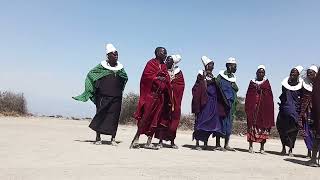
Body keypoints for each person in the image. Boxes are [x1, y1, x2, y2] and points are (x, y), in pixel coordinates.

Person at [73, 44, 128, 145]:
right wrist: (96, 86)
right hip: (103, 96)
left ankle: (113, 139)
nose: (116, 56)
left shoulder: (120, 69)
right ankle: (98, 138)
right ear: (108, 56)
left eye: (117, 54)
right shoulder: (100, 67)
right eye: (114, 54)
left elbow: (125, 77)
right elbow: (91, 75)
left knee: (114, 118)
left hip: (117, 97)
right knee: (101, 115)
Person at [129, 47, 172, 150]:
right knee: (145, 117)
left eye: (166, 53)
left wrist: (165, 80)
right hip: (150, 95)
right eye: (163, 52)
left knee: (155, 119)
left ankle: (149, 142)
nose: (165, 54)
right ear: (157, 53)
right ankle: (135, 140)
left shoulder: (164, 66)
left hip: (160, 97)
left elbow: (167, 79)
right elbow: (146, 77)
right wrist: (157, 78)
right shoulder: (151, 63)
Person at [192, 56, 228, 150]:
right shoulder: (201, 75)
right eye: (211, 65)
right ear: (207, 65)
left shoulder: (213, 76)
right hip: (204, 103)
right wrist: (207, 81)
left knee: (213, 122)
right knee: (201, 121)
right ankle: (197, 143)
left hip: (213, 103)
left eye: (213, 65)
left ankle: (206, 143)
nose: (212, 67)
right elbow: (197, 87)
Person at [155, 54, 185, 149]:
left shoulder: (179, 74)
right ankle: (160, 140)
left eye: (169, 60)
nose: (166, 61)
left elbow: (181, 86)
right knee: (162, 120)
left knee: (173, 121)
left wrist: (172, 87)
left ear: (173, 63)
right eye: (167, 59)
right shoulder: (162, 70)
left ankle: (172, 141)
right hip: (164, 99)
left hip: (174, 101)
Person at [245, 65, 274, 154]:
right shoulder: (252, 83)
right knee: (251, 127)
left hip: (263, 110)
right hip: (253, 109)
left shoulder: (266, 84)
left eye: (262, 72)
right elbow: (248, 96)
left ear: (264, 74)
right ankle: (250, 146)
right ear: (256, 73)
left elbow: (269, 98)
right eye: (259, 72)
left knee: (263, 128)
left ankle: (262, 148)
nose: (261, 74)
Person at [276, 66, 303, 156]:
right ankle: (283, 147)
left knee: (293, 131)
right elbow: (283, 95)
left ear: (298, 74)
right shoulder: (285, 85)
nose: (292, 73)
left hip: (295, 111)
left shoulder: (301, 87)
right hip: (284, 110)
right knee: (282, 129)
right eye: (291, 71)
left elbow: (301, 98)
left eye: (294, 72)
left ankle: (290, 149)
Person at [215, 57, 238, 151]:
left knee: (229, 124)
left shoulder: (233, 78)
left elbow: (234, 89)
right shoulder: (220, 76)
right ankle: (217, 144)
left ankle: (226, 144)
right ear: (229, 66)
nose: (235, 68)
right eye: (234, 66)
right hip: (222, 104)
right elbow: (217, 86)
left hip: (230, 105)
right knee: (220, 123)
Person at [298, 66, 318, 158]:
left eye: (312, 73)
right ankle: (309, 151)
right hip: (306, 111)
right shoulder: (304, 84)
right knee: (307, 131)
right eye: (308, 73)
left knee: (316, 132)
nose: (309, 74)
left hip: (317, 112)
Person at [308, 66, 320, 167]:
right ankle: (313, 159)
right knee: (318, 136)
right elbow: (316, 99)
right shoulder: (317, 82)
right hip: (318, 113)